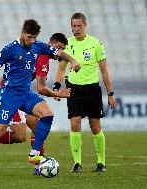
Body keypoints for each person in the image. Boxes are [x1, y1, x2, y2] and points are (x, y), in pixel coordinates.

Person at [0, 19, 80, 167]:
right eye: (29, 37)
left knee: (47, 114)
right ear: (22, 33)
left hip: (26, 94)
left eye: (34, 37)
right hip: (9, 96)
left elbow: (59, 52)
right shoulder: (10, 49)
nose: (32, 41)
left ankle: (34, 155)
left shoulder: (38, 46)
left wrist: (73, 61)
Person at [54, 13, 117, 173]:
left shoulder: (96, 44)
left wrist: (110, 94)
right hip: (73, 89)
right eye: (73, 26)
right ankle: (77, 163)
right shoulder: (66, 44)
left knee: (95, 127)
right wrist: (56, 88)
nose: (76, 29)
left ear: (85, 25)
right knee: (75, 125)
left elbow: (104, 71)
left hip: (92, 89)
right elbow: (61, 69)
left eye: (79, 26)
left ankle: (101, 163)